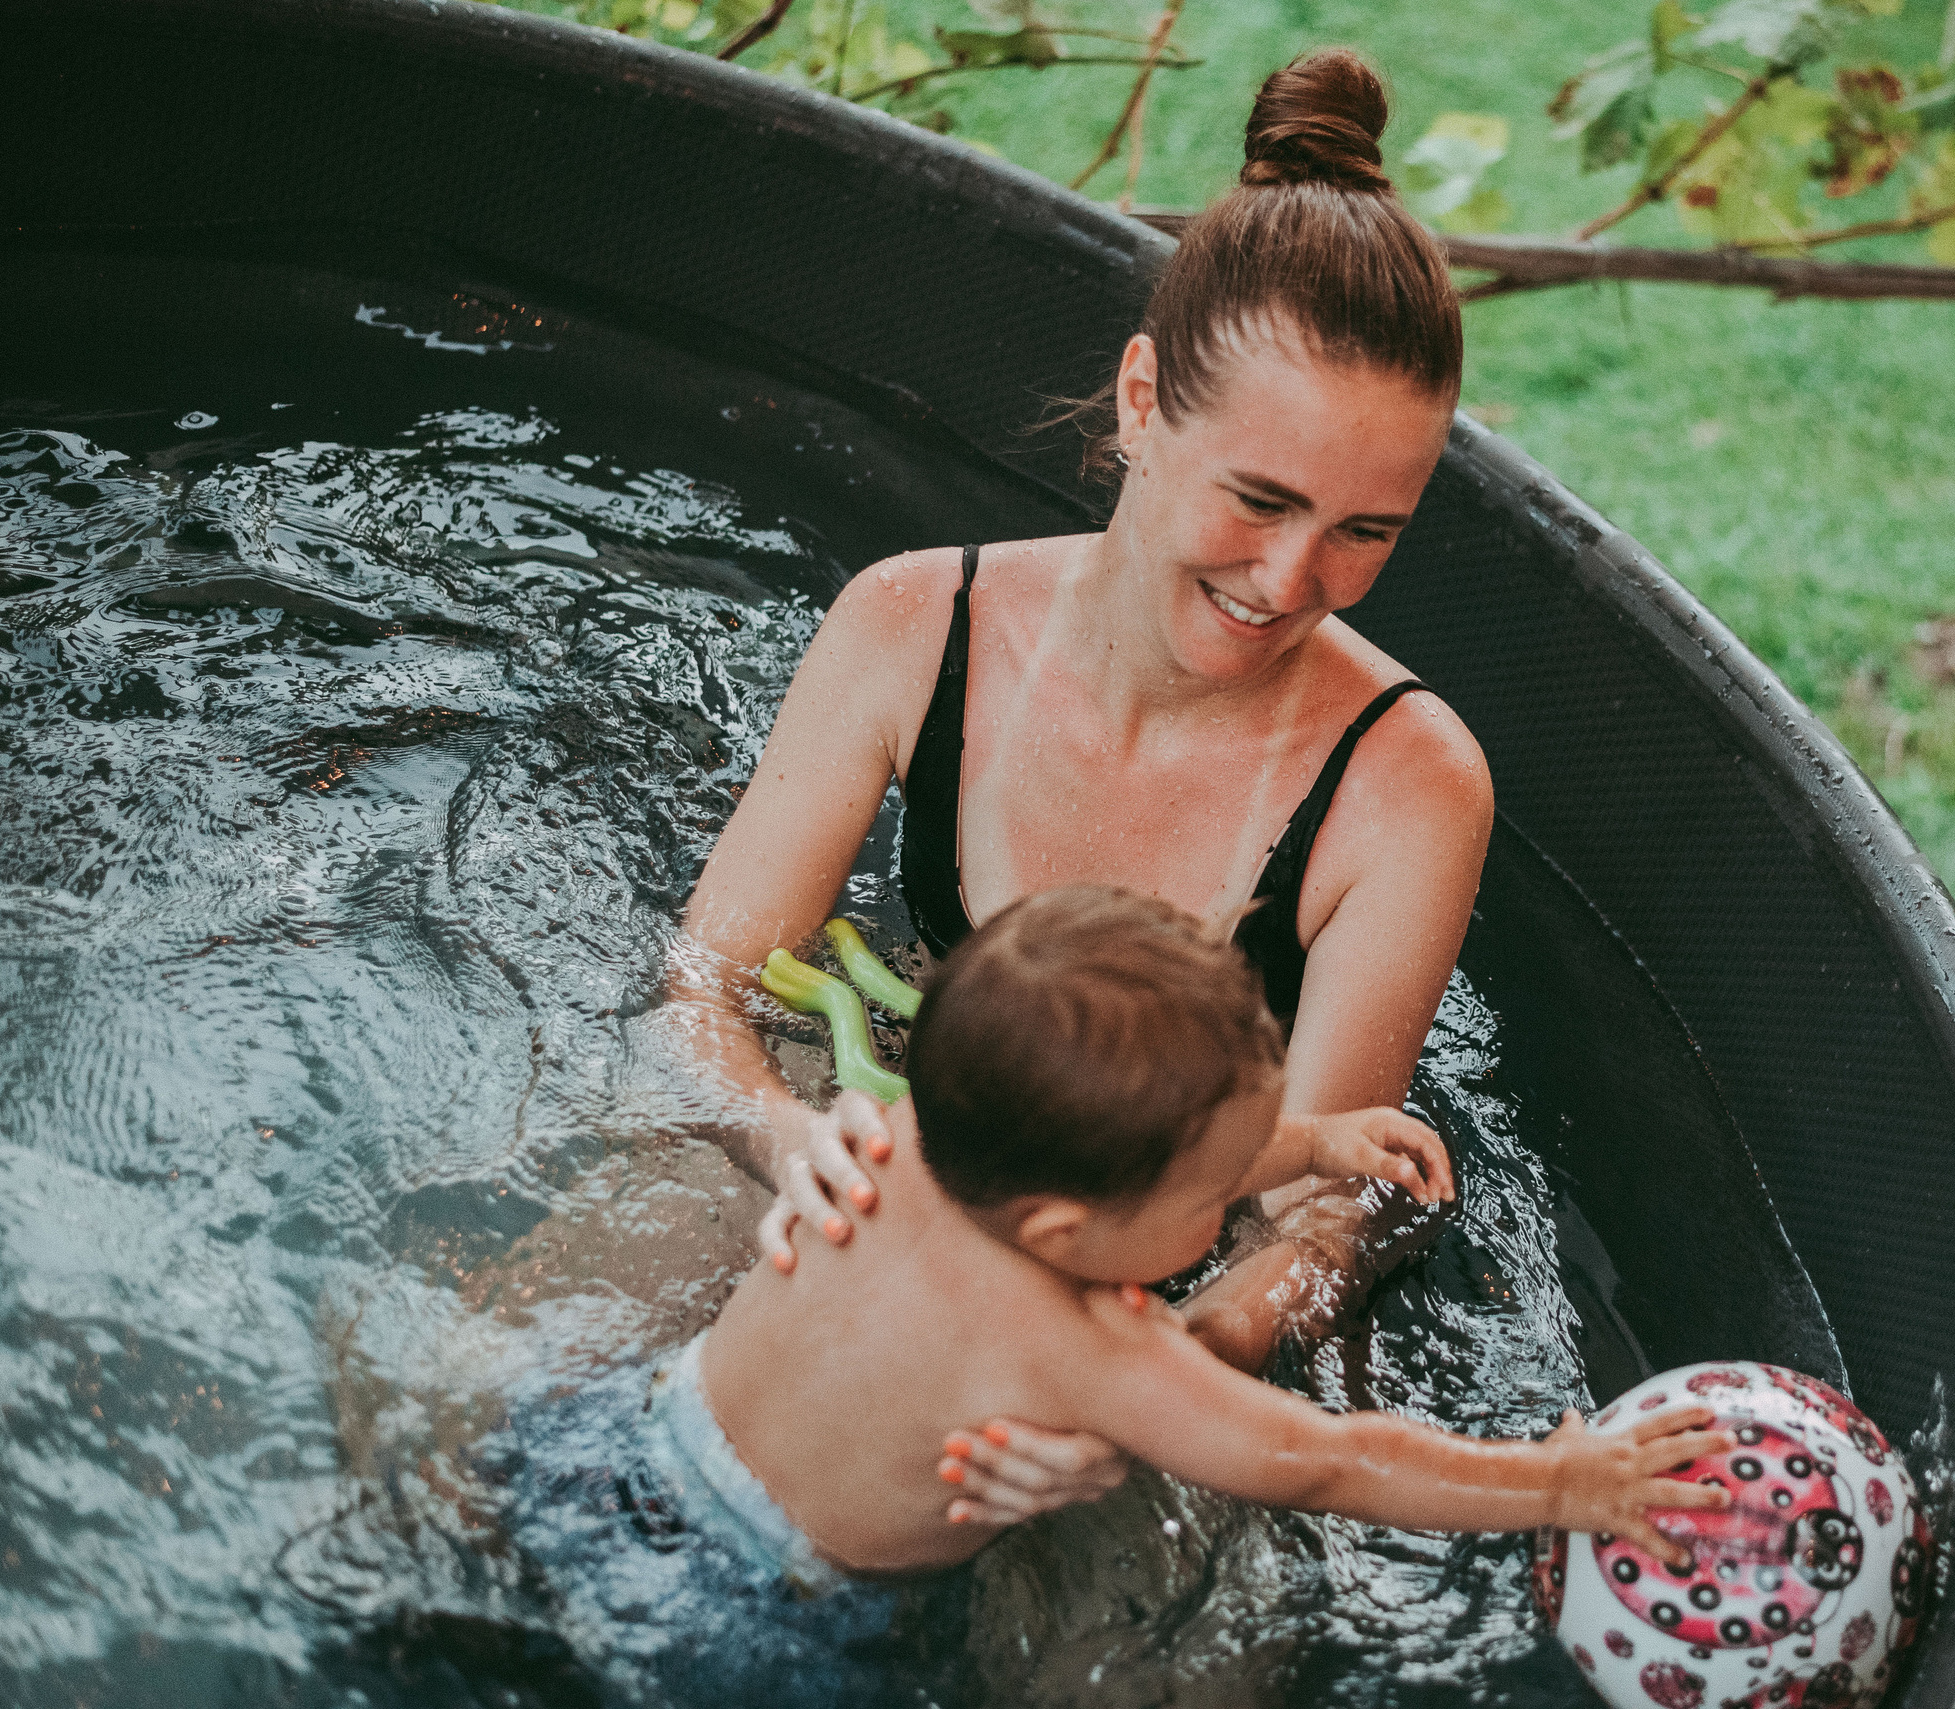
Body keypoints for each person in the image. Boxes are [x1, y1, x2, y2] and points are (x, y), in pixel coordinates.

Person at [669, 46, 1492, 1524]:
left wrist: (1174, 1365)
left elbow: (1316, 1200)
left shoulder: (1406, 784)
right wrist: (791, 1148)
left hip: (1150, 1256)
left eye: (1368, 532)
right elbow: (703, 986)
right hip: (873, 1150)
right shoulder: (916, 626)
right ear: (1141, 399)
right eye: (1260, 499)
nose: (1292, 582)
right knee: (472, 1397)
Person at [612, 889, 1728, 1608]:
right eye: (1216, 1184)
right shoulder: (1087, 1341)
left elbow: (1152, 1159)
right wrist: (1555, 1481)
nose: (1240, 1196)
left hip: (644, 1432)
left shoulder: (907, 1136)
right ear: (1064, 1232)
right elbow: (1325, 1458)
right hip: (764, 1600)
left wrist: (1315, 1137)